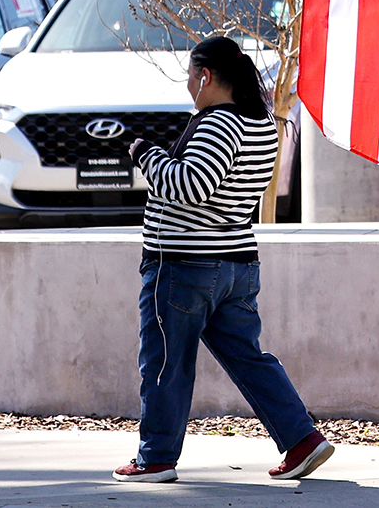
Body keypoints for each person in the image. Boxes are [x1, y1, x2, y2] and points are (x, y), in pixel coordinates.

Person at [111, 35, 335, 484]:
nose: (189, 85)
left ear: (206, 76)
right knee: (248, 358)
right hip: (235, 265)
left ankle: (155, 458)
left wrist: (146, 155)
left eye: (191, 76)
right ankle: (302, 439)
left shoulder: (218, 124)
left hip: (185, 266)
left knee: (165, 362)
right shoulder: (262, 125)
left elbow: (193, 185)